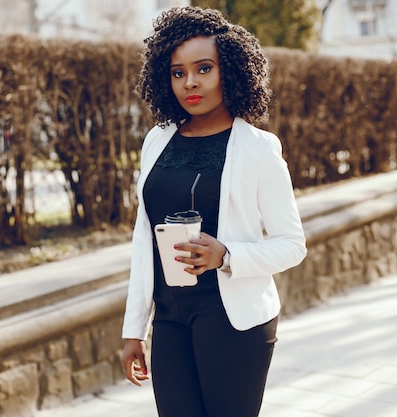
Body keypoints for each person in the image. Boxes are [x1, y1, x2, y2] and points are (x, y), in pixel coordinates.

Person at [120, 6, 307, 417]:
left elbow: (292, 245)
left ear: (231, 71)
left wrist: (227, 256)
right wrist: (134, 328)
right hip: (170, 317)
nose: (190, 82)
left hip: (233, 319)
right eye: (178, 72)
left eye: (204, 68)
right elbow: (143, 239)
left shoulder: (258, 148)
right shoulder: (157, 140)